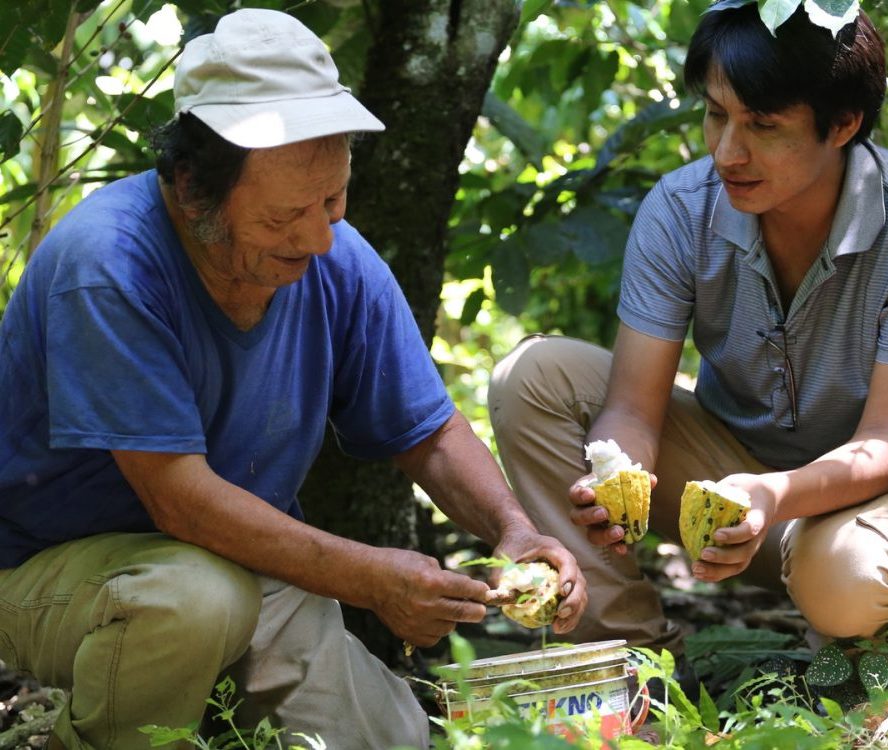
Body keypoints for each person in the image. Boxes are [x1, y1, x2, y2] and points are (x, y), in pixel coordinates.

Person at [0, 8, 587, 750]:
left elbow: (427, 430)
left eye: (333, 202)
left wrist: (515, 530)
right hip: (42, 569)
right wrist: (370, 577)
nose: (316, 238)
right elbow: (178, 501)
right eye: (283, 219)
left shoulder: (334, 257)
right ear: (191, 191)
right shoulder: (108, 265)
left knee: (392, 741)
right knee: (192, 600)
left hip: (242, 562)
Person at [488, 4, 888, 655]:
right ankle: (626, 656)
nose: (727, 151)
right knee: (533, 377)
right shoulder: (681, 207)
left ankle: (849, 654)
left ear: (842, 125)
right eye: (716, 114)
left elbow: (884, 449)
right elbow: (632, 411)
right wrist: (614, 475)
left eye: (763, 125)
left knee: (846, 577)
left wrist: (769, 497)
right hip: (734, 490)